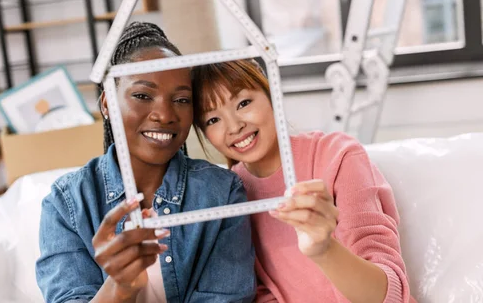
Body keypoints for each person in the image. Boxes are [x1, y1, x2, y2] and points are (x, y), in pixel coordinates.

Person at [35, 22, 256, 303]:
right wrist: (120, 288)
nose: (164, 114)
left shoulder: (222, 193)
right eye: (142, 95)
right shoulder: (65, 203)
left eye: (181, 99)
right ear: (107, 104)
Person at [191, 59, 416, 303]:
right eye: (213, 120)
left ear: (271, 94)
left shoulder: (337, 156)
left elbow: (389, 295)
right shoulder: (230, 195)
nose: (234, 126)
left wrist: (324, 250)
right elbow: (262, 294)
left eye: (243, 103)